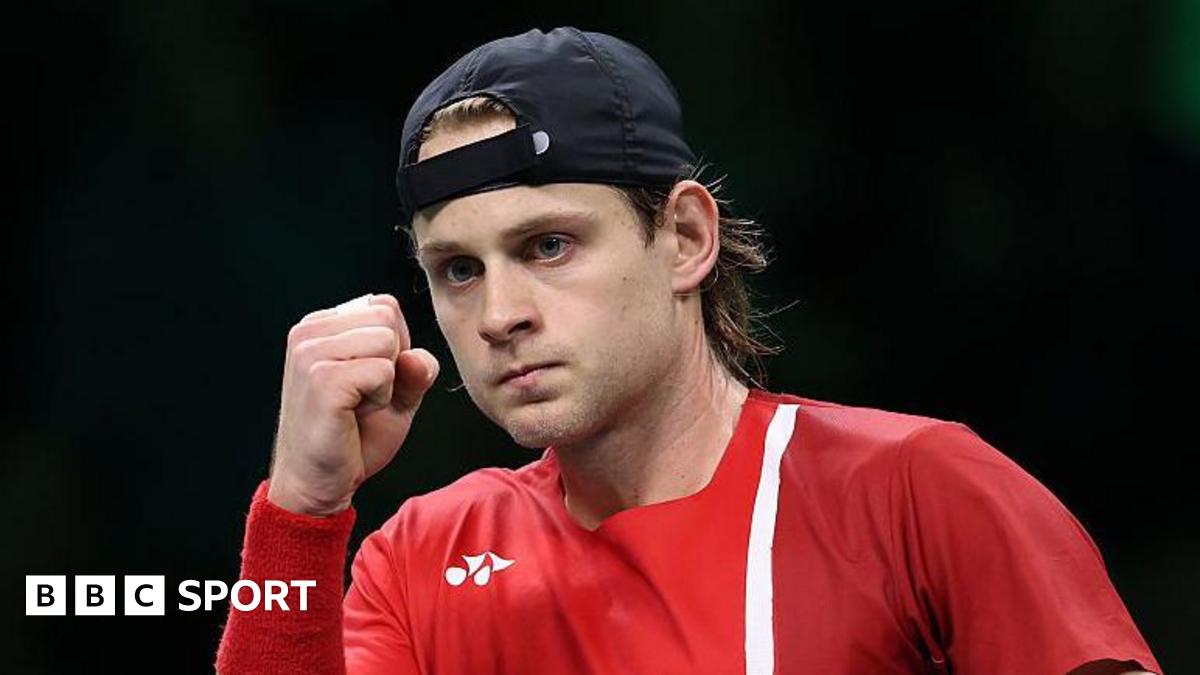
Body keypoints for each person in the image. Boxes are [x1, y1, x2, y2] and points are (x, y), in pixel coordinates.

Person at [215, 26, 1162, 674]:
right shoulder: (421, 561)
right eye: (458, 269)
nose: (500, 312)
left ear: (685, 238)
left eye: (549, 245)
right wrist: (302, 511)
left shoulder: (922, 491)